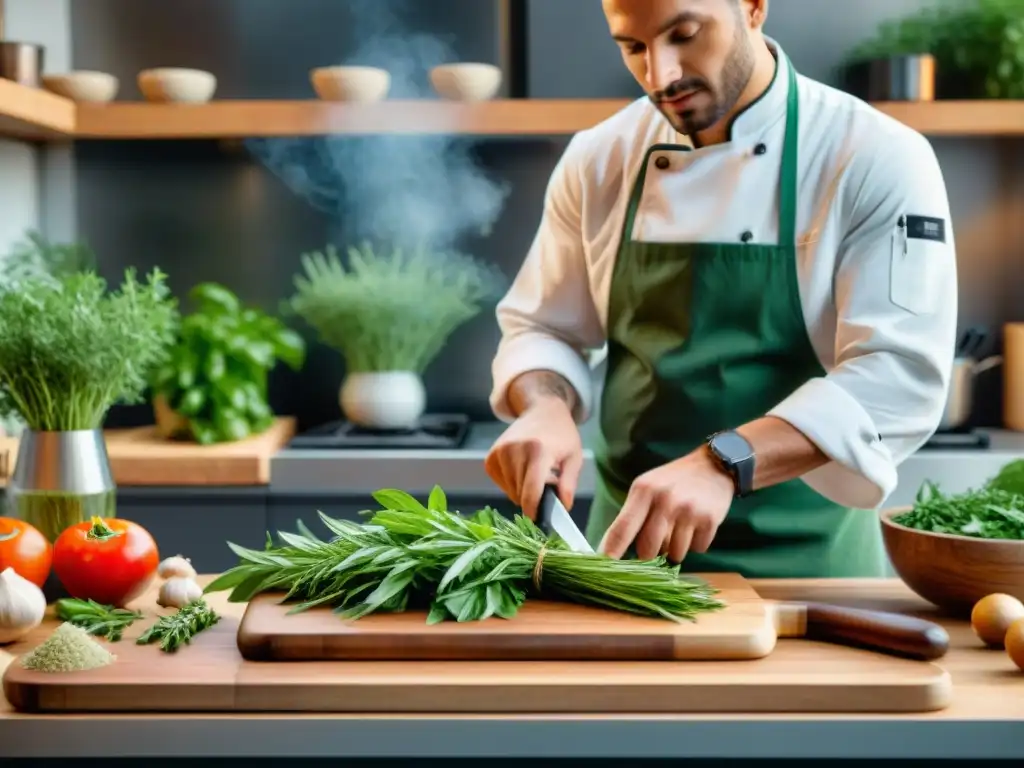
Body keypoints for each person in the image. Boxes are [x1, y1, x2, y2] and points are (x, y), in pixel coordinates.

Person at [484, 0, 958, 578]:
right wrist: (545, 405)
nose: (662, 76)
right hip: (625, 567)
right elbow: (543, 327)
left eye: (684, 34)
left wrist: (723, 462)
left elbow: (898, 374)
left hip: (812, 573)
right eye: (632, 47)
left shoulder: (874, 156)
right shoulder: (600, 157)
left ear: (754, 7)